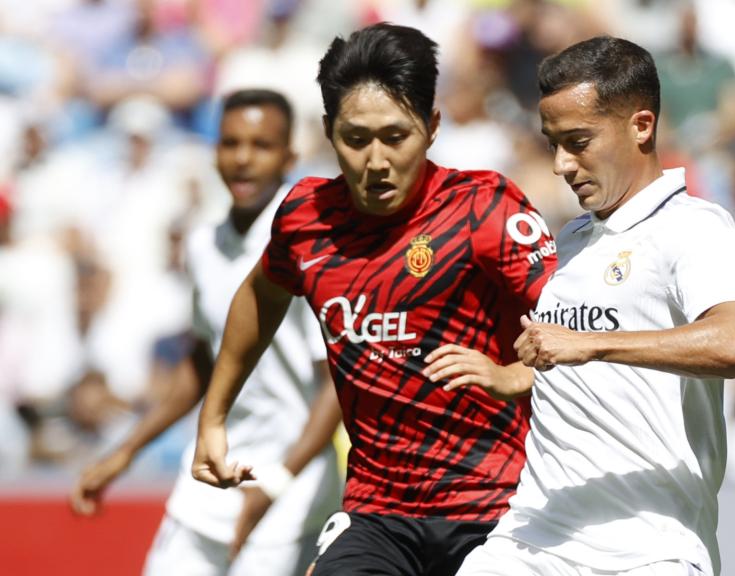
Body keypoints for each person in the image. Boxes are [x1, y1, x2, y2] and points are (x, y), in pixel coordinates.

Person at [190, 23, 558, 576]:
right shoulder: (305, 217)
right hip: (379, 513)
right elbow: (260, 294)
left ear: (432, 128)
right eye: (356, 139)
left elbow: (584, 332)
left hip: (499, 505)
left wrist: (515, 376)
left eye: (396, 136)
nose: (376, 160)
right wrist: (212, 419)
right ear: (327, 132)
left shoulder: (487, 209)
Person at [433, 36, 735, 576]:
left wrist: (589, 345)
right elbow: (579, 366)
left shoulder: (693, 227)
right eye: (553, 144)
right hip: (534, 536)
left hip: (650, 545)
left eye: (579, 141)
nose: (562, 165)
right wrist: (511, 376)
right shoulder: (572, 239)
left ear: (641, 126)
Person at [70, 89, 343, 576]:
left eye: (260, 145)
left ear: (290, 156)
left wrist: (275, 486)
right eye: (230, 143)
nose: (242, 159)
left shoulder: (309, 245)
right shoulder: (203, 244)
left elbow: (337, 385)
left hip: (286, 493)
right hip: (205, 484)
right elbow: (203, 364)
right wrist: (124, 453)